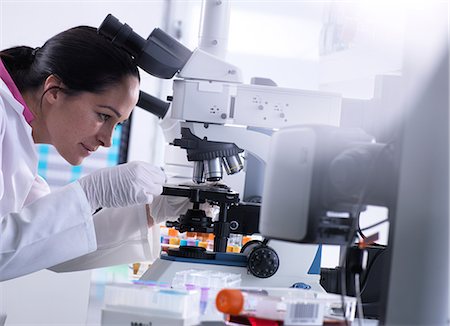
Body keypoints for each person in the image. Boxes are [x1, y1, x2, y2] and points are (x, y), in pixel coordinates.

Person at [0, 25, 190, 282]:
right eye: (103, 116)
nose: (108, 140)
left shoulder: (19, 139)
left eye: (117, 124)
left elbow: (45, 246)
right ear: (54, 91)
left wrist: (150, 211)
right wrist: (91, 194)